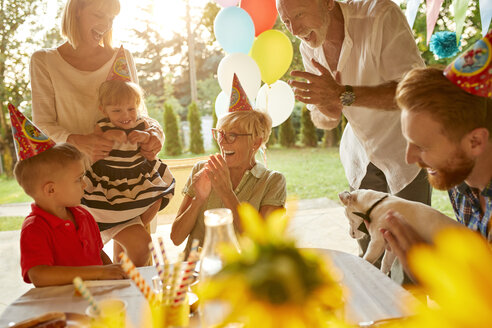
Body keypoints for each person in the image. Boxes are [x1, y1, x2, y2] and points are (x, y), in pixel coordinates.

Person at [276, 0, 430, 282]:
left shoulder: (380, 15)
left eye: (298, 14)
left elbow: (414, 90)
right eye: (286, 22)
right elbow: (324, 120)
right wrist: (330, 109)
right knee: (369, 261)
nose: (295, 29)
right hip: (360, 158)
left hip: (404, 153)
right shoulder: (308, 47)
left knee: (412, 266)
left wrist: (343, 95)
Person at [30, 0, 165, 263]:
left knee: (138, 254)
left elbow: (140, 113)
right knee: (87, 266)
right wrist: (79, 141)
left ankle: (133, 302)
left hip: (124, 179)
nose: (106, 25)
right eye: (99, 15)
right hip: (75, 183)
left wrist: (156, 135)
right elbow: (42, 125)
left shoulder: (121, 57)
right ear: (76, 11)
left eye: (112, 18)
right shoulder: (44, 61)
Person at [383, 46, 492, 277]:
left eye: (422, 147)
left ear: (475, 141)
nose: (409, 158)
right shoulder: (459, 180)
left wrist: (434, 275)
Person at [9, 104, 126, 287]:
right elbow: (39, 275)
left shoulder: (84, 215)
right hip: (63, 307)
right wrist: (99, 272)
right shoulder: (35, 228)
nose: (85, 184)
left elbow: (99, 255)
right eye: (79, 179)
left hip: (96, 300)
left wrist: (114, 276)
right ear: (51, 190)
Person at [171, 76, 287, 255]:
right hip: (197, 270)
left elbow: (261, 243)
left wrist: (226, 192)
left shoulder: (272, 181)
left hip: (243, 274)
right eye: (220, 134)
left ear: (255, 142)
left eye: (232, 135)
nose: (223, 142)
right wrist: (198, 200)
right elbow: (176, 238)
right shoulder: (201, 170)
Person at [82, 79, 175, 267]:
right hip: (110, 178)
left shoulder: (141, 123)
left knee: (156, 195)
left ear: (137, 107)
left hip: (135, 176)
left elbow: (150, 136)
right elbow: (96, 138)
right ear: (103, 110)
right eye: (117, 111)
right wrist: (110, 136)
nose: (125, 116)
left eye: (130, 109)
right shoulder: (103, 126)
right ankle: (116, 257)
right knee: (105, 207)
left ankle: (129, 267)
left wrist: (144, 136)